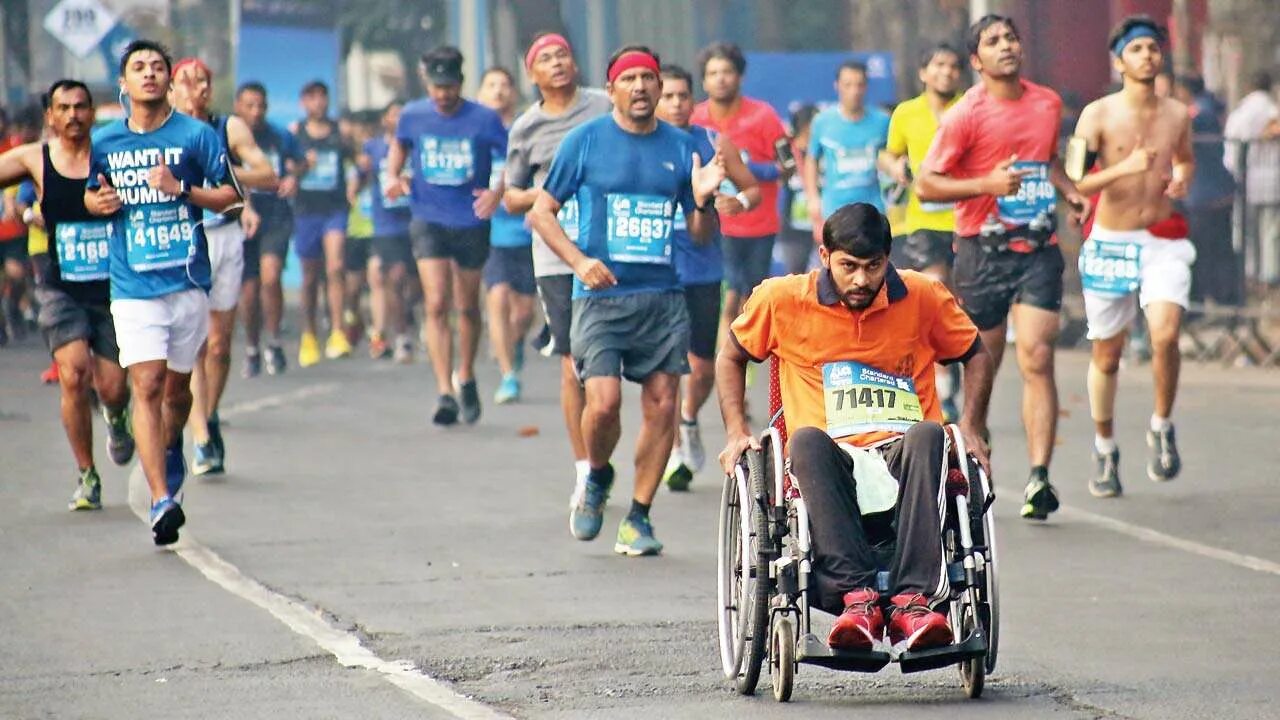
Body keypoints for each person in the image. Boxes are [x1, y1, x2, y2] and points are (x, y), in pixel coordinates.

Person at [717, 203, 994, 651]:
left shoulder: (924, 296)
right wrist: (735, 430)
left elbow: (975, 353)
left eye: (873, 267)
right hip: (829, 454)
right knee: (804, 441)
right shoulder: (781, 299)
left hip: (904, 448)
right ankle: (857, 599)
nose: (862, 280)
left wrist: (973, 426)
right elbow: (731, 355)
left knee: (931, 435)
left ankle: (913, 601)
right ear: (824, 256)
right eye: (848, 267)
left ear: (889, 259)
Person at [528, 45, 725, 556]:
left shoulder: (682, 149)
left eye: (648, 78)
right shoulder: (585, 142)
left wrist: (702, 198)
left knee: (662, 406)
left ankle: (638, 515)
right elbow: (543, 213)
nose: (640, 87)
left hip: (661, 297)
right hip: (599, 297)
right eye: (629, 79)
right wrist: (578, 262)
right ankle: (596, 474)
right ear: (611, 89)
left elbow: (700, 235)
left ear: (660, 89)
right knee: (605, 403)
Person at [915, 15, 1089, 521]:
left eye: (1010, 37)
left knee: (1037, 354)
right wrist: (985, 185)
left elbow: (1049, 159)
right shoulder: (966, 114)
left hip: (1038, 246)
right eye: (992, 41)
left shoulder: (1047, 103)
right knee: (982, 362)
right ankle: (974, 436)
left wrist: (1070, 190)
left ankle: (1039, 477)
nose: (1005, 46)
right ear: (977, 60)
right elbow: (927, 184)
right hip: (981, 251)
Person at [83, 40, 238, 545]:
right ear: (123, 84)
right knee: (145, 384)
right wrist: (98, 202)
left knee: (176, 391)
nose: (148, 75)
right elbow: (90, 192)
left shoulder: (196, 135)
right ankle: (161, 499)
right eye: (138, 68)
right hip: (132, 285)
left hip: (187, 281)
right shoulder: (104, 142)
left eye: (157, 68)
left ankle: (171, 450)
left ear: (169, 81)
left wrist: (183, 191)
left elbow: (232, 199)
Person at [1069, 16, 1196, 497]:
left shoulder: (1177, 115)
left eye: (1153, 48)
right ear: (1119, 60)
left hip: (1161, 238)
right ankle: (1105, 448)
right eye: (1137, 49)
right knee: (1108, 352)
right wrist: (1124, 167)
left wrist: (1181, 175)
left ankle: (1162, 424)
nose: (1147, 55)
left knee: (1165, 335)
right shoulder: (1096, 116)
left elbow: (1184, 157)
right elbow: (1075, 178)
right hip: (1111, 243)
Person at [0, 79, 136, 509]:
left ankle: (115, 416)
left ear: (92, 113)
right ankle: (87, 474)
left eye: (81, 107)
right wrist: (24, 212)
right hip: (60, 287)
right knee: (74, 372)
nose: (74, 115)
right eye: (64, 108)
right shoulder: (35, 159)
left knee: (113, 387)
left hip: (114, 288)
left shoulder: (113, 155)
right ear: (51, 116)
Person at [504, 33, 612, 484]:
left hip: (610, 244)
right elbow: (510, 197)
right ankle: (585, 467)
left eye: (563, 54)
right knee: (573, 363)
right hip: (555, 254)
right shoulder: (526, 127)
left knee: (612, 367)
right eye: (545, 59)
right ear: (532, 74)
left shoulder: (606, 105)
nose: (557, 63)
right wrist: (550, 192)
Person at [386, 46, 507, 425]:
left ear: (461, 83)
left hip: (470, 219)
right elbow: (399, 147)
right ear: (428, 83)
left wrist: (496, 192)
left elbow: (511, 160)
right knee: (437, 302)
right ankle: (444, 391)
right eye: (438, 87)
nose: (443, 94)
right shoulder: (413, 114)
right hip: (428, 216)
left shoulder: (485, 119)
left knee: (467, 305)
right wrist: (393, 176)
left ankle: (466, 374)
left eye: (450, 86)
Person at [170, 57, 279, 477]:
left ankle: (209, 413)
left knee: (219, 343)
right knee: (194, 341)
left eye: (202, 81)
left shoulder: (228, 127)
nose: (195, 87)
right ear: (172, 90)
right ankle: (200, 436)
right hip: (183, 240)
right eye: (186, 80)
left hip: (225, 238)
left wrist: (226, 173)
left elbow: (266, 173)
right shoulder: (160, 131)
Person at [655, 63, 760, 491]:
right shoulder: (642, 145)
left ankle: (688, 419)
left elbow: (751, 188)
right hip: (656, 272)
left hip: (701, 269)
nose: (677, 104)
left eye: (683, 96)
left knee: (700, 369)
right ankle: (675, 448)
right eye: (669, 96)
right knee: (665, 368)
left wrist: (739, 203)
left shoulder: (715, 144)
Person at [881, 43, 965, 422]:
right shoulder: (906, 112)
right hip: (922, 221)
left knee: (959, 306)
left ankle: (954, 371)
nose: (947, 72)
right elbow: (888, 153)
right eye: (939, 65)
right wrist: (895, 166)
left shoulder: (970, 106)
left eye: (953, 66)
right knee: (936, 295)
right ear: (924, 73)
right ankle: (942, 391)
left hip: (968, 218)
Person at [691, 42, 790, 338]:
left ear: (740, 77)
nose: (720, 78)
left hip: (759, 224)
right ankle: (725, 369)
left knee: (751, 301)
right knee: (729, 297)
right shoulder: (695, 119)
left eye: (727, 71)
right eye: (713, 73)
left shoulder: (764, 116)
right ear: (704, 80)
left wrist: (749, 167)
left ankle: (741, 364)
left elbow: (789, 165)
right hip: (716, 227)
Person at [233, 81, 302, 376]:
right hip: (241, 218)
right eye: (249, 105)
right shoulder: (228, 137)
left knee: (271, 278)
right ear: (238, 106)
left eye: (260, 105)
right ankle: (252, 347)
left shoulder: (279, 136)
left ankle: (274, 340)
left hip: (275, 215)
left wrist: (293, 178)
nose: (256, 111)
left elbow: (298, 163)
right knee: (249, 291)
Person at [477, 66, 536, 404]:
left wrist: (536, 211)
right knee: (497, 297)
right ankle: (507, 375)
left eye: (504, 85)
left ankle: (514, 347)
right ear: (481, 94)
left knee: (523, 314)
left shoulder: (525, 131)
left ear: (514, 93)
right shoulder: (473, 132)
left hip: (526, 232)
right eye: (491, 85)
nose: (498, 91)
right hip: (491, 233)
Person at [293, 80, 355, 366]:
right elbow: (286, 170)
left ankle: (338, 331)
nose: (318, 103)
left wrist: (355, 185)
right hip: (307, 210)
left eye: (323, 97)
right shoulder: (295, 133)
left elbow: (359, 163)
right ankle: (309, 333)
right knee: (309, 276)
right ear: (303, 103)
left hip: (334, 209)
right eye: (312, 98)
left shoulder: (340, 132)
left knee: (336, 267)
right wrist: (303, 166)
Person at [1174, 74, 1240, 306]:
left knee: (1207, 250)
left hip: (1205, 193)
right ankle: (1223, 296)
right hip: (1213, 191)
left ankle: (1218, 298)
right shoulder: (1210, 107)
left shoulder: (1199, 113)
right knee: (1218, 248)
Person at [804, 60, 892, 231]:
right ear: (837, 86)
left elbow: (893, 157)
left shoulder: (882, 121)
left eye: (859, 85)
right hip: (834, 210)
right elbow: (811, 160)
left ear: (866, 87)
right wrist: (813, 198)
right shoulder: (822, 122)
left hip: (873, 210)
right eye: (848, 85)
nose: (854, 91)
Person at [358, 100, 414, 363]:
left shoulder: (417, 146)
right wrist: (355, 184)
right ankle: (397, 335)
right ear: (385, 120)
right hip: (386, 224)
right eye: (394, 114)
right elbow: (360, 174)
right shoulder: (373, 147)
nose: (399, 118)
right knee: (392, 276)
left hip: (415, 221)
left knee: (414, 284)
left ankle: (411, 325)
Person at [1224, 71, 1280, 286]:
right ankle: (1269, 275)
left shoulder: (1240, 113)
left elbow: (1230, 153)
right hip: (1274, 179)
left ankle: (1248, 275)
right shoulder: (1274, 111)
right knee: (1271, 231)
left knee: (1246, 231)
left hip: (1246, 179)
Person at [778, 104, 819, 275]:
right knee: (794, 278)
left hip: (823, 224)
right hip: (793, 227)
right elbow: (777, 179)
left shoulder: (825, 150)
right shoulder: (785, 150)